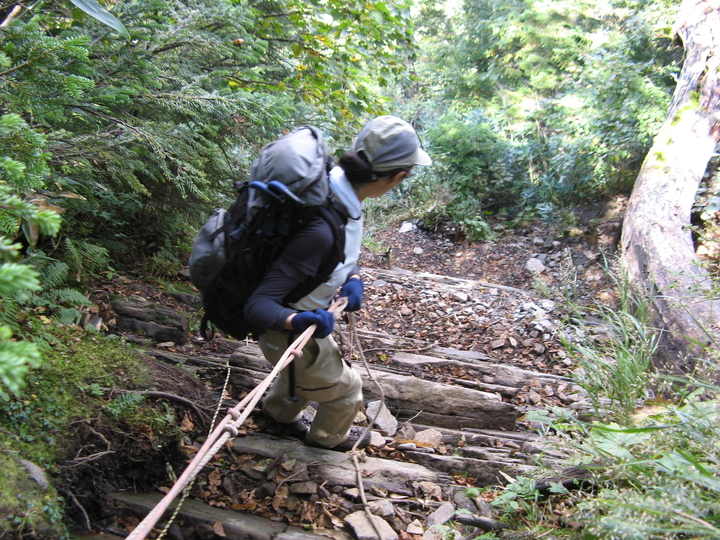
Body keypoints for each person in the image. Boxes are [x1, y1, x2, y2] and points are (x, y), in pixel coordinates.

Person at [244, 116, 432, 451]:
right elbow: (257, 306)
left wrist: (352, 276)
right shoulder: (322, 225)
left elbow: (337, 252)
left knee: (304, 373)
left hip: (296, 322)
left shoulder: (335, 189)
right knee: (346, 390)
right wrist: (298, 320)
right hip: (286, 328)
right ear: (398, 176)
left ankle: (277, 414)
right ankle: (325, 443)